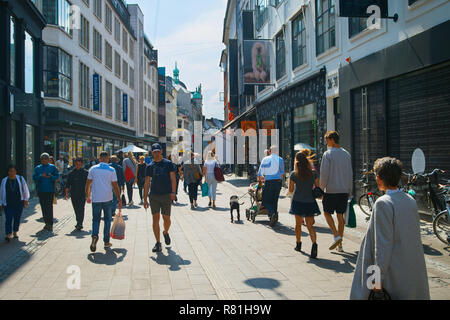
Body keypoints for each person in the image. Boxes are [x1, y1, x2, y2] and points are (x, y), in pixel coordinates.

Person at [350, 157, 430, 300]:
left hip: (392, 271)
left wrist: (376, 278)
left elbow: (381, 245)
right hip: (411, 269)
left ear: (379, 178)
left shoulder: (383, 203)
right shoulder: (409, 200)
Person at [319, 131, 353, 252]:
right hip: (344, 190)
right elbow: (350, 173)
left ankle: (336, 235)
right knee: (340, 216)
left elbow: (324, 174)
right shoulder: (347, 154)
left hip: (331, 190)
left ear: (332, 139)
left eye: (327, 140)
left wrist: (321, 189)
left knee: (327, 213)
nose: (326, 142)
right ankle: (340, 245)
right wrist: (350, 189)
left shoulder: (328, 154)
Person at [85, 151, 122, 252]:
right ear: (108, 159)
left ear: (99, 158)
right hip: (107, 198)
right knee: (107, 220)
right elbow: (115, 185)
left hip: (96, 198)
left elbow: (88, 183)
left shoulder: (93, 169)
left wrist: (87, 195)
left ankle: (94, 236)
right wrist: (119, 199)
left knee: (96, 219)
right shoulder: (111, 170)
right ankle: (106, 241)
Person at [143, 144, 177, 253]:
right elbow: (147, 182)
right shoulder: (150, 166)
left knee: (166, 219)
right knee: (155, 219)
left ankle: (165, 232)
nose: (156, 153)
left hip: (167, 195)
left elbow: (173, 179)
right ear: (152, 152)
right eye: (154, 152)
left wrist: (173, 192)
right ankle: (158, 242)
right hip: (154, 196)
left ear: (161, 151)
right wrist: (144, 198)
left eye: (158, 151)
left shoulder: (168, 164)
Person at [288, 151, 321, 258]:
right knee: (310, 226)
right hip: (310, 201)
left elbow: (291, 190)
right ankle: (314, 245)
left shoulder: (294, 174)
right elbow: (317, 187)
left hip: (297, 201)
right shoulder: (313, 173)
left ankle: (298, 245)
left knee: (298, 224)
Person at [0, 165, 30, 242]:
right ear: (8, 172)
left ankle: (15, 232)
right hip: (8, 203)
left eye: (13, 171)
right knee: (8, 218)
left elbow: (25, 189)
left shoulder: (20, 178)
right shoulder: (4, 180)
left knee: (17, 218)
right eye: (10, 171)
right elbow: (1, 192)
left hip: (18, 202)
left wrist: (26, 199)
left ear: (16, 171)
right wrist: (1, 203)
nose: (11, 173)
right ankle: (8, 234)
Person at [257, 145, 285, 227]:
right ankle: (274, 218)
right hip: (278, 182)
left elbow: (260, 173)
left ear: (269, 151)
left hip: (269, 182)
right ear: (277, 152)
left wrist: (260, 181)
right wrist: (280, 182)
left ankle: (272, 214)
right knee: (274, 200)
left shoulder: (265, 159)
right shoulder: (280, 159)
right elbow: (282, 173)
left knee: (265, 201)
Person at [33, 153, 60, 232]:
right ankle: (46, 222)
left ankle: (50, 223)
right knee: (43, 207)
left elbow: (57, 176)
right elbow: (34, 177)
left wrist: (51, 176)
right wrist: (41, 176)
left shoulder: (52, 167)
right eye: (42, 159)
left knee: (49, 207)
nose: (44, 160)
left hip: (50, 190)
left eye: (45, 158)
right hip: (41, 190)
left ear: (48, 160)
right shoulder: (38, 168)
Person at [65, 158, 88, 231]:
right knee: (76, 208)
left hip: (82, 194)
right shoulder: (71, 173)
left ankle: (80, 223)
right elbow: (68, 184)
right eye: (77, 164)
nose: (78, 166)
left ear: (82, 164)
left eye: (80, 164)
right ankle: (78, 221)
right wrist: (66, 193)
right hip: (74, 194)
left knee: (81, 208)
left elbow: (89, 184)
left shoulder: (85, 173)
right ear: (75, 164)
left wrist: (88, 193)